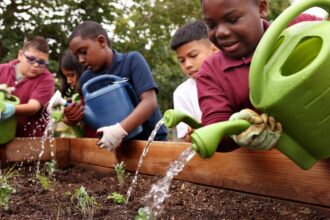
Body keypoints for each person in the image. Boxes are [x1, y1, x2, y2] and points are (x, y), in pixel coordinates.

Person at [197, 0, 321, 151]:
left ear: (262, 8)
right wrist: (239, 129)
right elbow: (216, 134)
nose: (221, 32)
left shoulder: (299, 27)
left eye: (233, 20)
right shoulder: (211, 71)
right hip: (278, 166)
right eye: (211, 25)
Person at [65, 20, 167, 150]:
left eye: (83, 51)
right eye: (76, 55)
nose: (80, 60)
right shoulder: (87, 79)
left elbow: (149, 102)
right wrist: (72, 117)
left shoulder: (132, 61)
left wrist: (119, 130)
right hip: (119, 147)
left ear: (101, 42)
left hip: (152, 140)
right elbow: (91, 116)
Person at [170, 20, 218, 140]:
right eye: (181, 60)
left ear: (215, 49)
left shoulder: (236, 75)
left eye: (193, 55)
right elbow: (186, 139)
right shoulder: (182, 93)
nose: (187, 65)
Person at [0, 36, 54, 137]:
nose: (36, 65)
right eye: (31, 59)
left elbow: (33, 107)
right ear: (20, 55)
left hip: (30, 141)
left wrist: (10, 109)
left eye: (42, 62)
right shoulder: (2, 70)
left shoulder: (46, 79)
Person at [53, 49, 84, 138]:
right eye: (66, 76)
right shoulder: (76, 96)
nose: (68, 81)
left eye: (71, 75)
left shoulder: (90, 93)